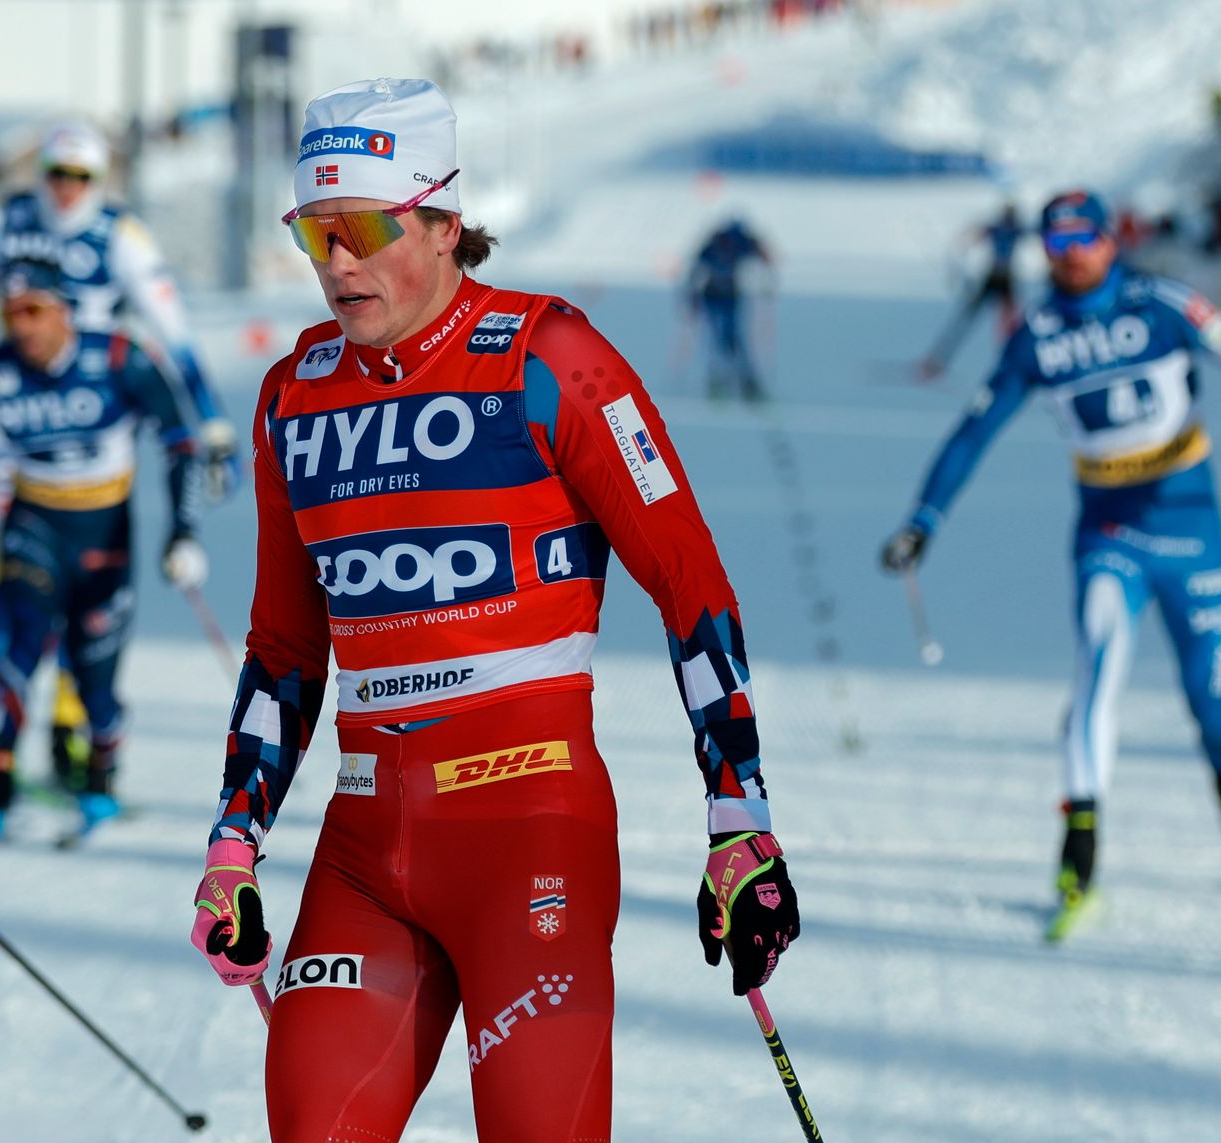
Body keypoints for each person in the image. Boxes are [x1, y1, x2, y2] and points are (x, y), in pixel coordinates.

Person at [186, 78, 800, 1139]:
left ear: (442, 222)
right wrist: (234, 841)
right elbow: (284, 648)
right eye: (312, 233)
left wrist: (737, 819)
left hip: (530, 837)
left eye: (364, 229)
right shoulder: (294, 392)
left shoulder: (547, 356)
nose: (336, 263)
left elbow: (689, 588)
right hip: (365, 854)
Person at [880, 190, 1221, 940]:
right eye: (1057, 241)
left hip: (1193, 527)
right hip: (1109, 530)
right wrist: (923, 520)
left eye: (1084, 238)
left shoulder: (1160, 301)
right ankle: (1079, 852)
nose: (1071, 253)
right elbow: (974, 430)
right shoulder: (1036, 334)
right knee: (1097, 669)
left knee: (1213, 702)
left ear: (1110, 239)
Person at [0, 122, 239, 797]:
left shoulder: (120, 235)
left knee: (87, 596)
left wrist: (209, 419)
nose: (66, 190)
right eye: (55, 174)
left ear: (101, 182)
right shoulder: (2, 221)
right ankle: (4, 726)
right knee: (17, 589)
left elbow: (172, 331)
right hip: (15, 405)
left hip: (98, 394)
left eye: (82, 178)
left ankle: (74, 714)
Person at [0, 257, 207, 845]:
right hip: (33, 523)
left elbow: (179, 440)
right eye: (11, 314)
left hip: (104, 535)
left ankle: (101, 777)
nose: (24, 327)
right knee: (13, 649)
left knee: (95, 677)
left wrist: (182, 530)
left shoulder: (117, 358)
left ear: (64, 310)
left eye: (35, 310)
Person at [917, 201, 1023, 381]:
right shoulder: (1006, 229)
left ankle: (1016, 367)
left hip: (1001, 279)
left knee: (1008, 327)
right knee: (984, 323)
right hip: (998, 278)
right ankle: (936, 362)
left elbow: (973, 235)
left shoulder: (1006, 229)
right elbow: (973, 235)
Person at [681, 216, 772, 399]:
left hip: (731, 296)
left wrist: (766, 281)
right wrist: (692, 298)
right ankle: (719, 381)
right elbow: (695, 270)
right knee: (717, 338)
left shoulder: (740, 244)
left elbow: (762, 256)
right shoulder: (712, 245)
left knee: (733, 339)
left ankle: (745, 381)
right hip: (712, 296)